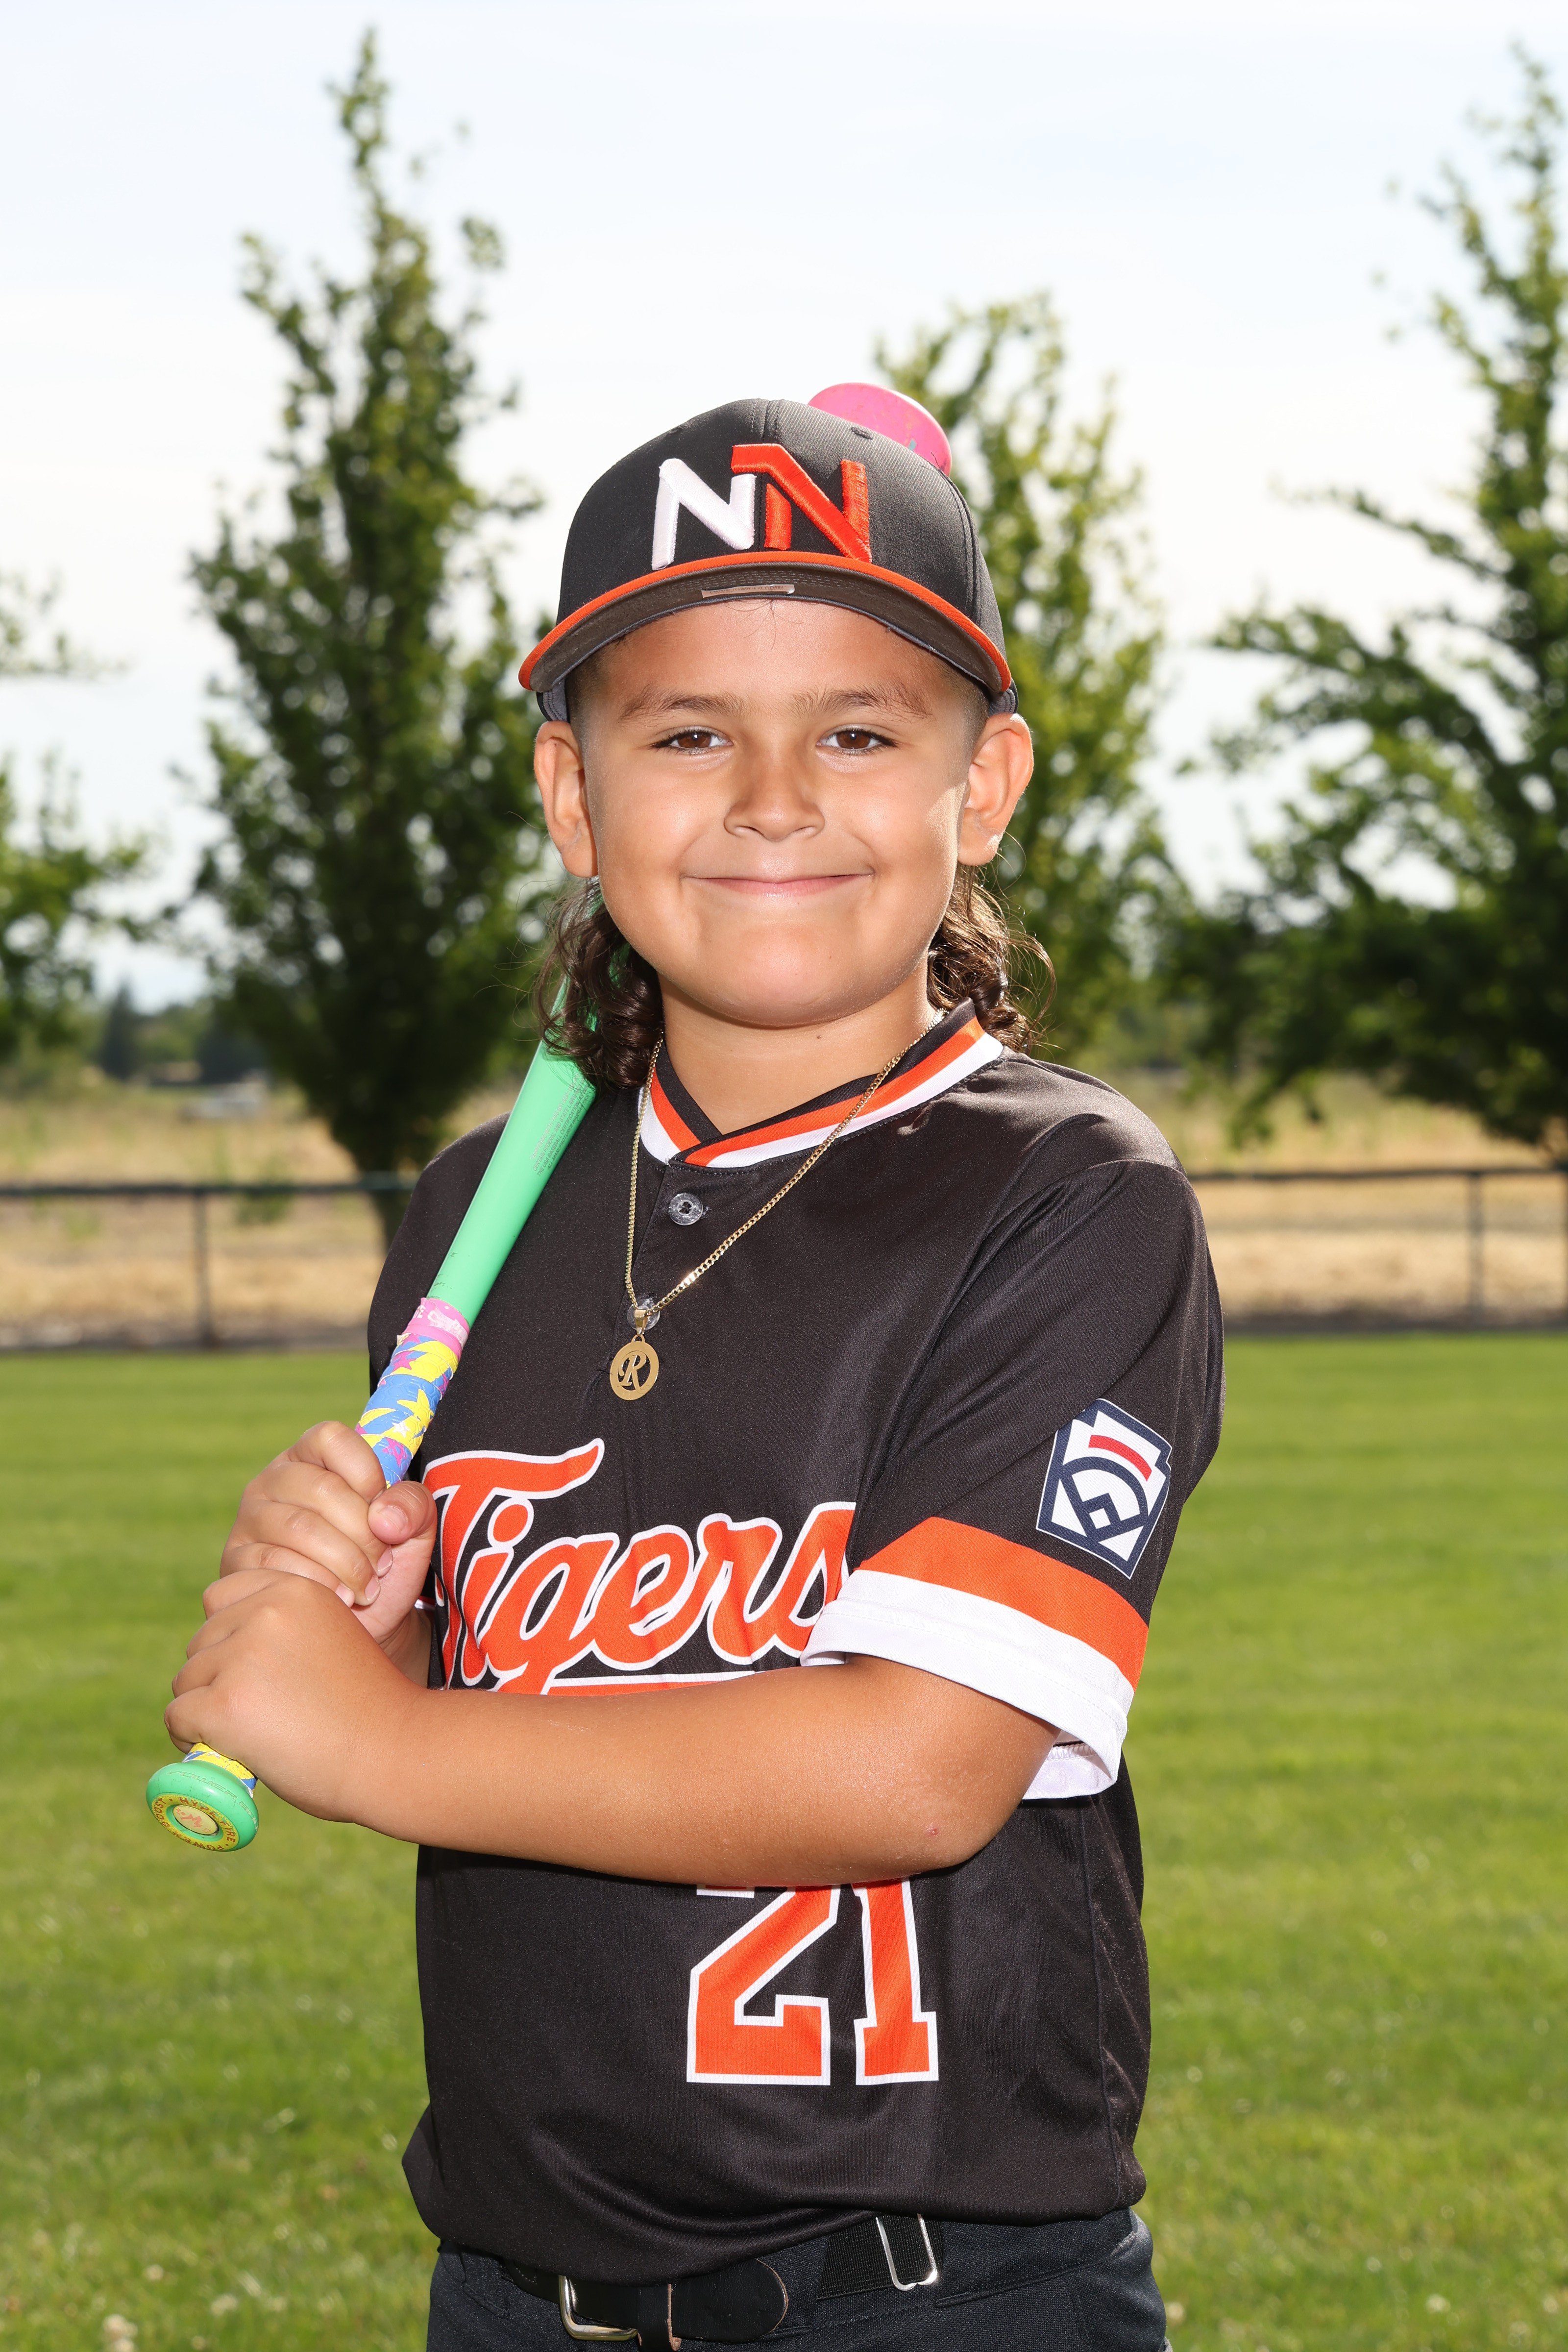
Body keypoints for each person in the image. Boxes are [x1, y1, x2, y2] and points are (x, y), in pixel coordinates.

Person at [170, 391, 1223, 2352]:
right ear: (574, 800)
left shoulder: (1069, 1194)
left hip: (926, 2289)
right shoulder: (482, 1210)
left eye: (857, 732)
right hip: (513, 2281)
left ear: (982, 785)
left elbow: (915, 1765)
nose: (771, 798)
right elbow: (532, 1706)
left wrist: (375, 1745)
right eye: (684, 734)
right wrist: (390, 1634)